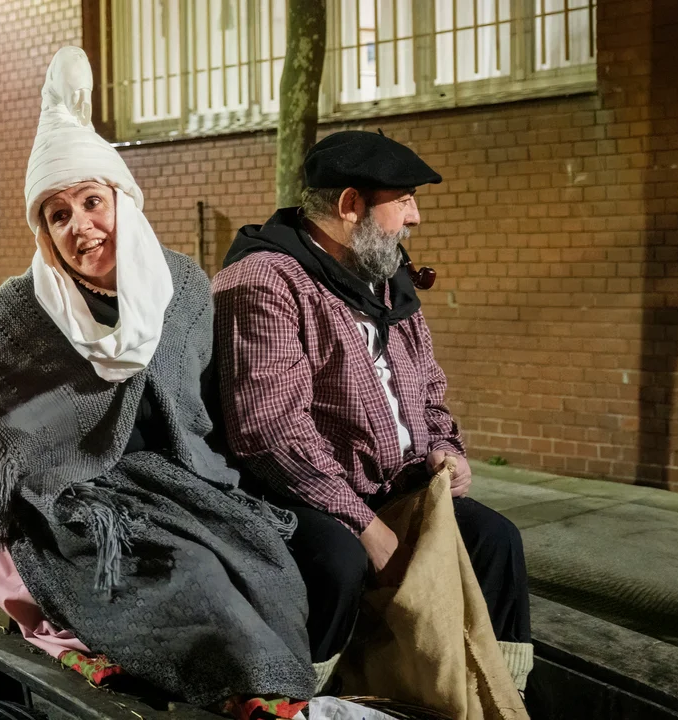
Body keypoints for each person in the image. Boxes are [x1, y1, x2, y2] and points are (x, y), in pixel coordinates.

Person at [0, 47, 316, 715]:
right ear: (44, 233)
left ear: (122, 201)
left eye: (92, 202)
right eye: (58, 215)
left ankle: (270, 692)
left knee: (270, 563)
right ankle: (243, 701)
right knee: (191, 577)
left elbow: (212, 404)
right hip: (71, 506)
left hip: (185, 487)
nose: (81, 227)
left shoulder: (183, 288)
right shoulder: (23, 308)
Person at [211, 130, 533, 695]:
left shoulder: (382, 275)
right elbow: (270, 432)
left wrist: (445, 449)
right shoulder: (264, 281)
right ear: (349, 204)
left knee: (496, 540)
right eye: (403, 199)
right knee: (339, 562)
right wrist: (365, 525)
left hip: (392, 485)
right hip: (297, 493)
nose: (415, 217)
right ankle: (297, 698)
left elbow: (429, 387)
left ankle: (496, 697)